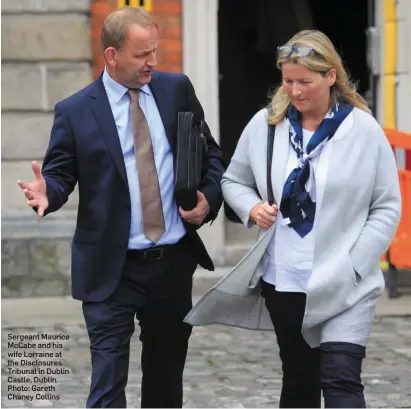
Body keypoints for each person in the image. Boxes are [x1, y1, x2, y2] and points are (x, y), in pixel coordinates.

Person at [17, 7, 225, 408]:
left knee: (165, 382)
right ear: (112, 55)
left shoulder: (176, 89)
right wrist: (49, 193)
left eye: (155, 51)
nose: (154, 61)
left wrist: (208, 199)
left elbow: (210, 156)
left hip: (171, 262)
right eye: (143, 54)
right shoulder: (75, 111)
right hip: (110, 268)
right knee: (107, 383)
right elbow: (60, 174)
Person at [185, 30, 401, 408]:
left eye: (305, 81)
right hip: (285, 281)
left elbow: (386, 205)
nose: (295, 91)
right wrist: (252, 207)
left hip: (346, 281)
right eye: (288, 81)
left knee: (340, 380)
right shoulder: (267, 125)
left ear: (331, 76)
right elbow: (234, 180)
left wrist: (356, 263)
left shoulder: (364, 131)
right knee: (300, 381)